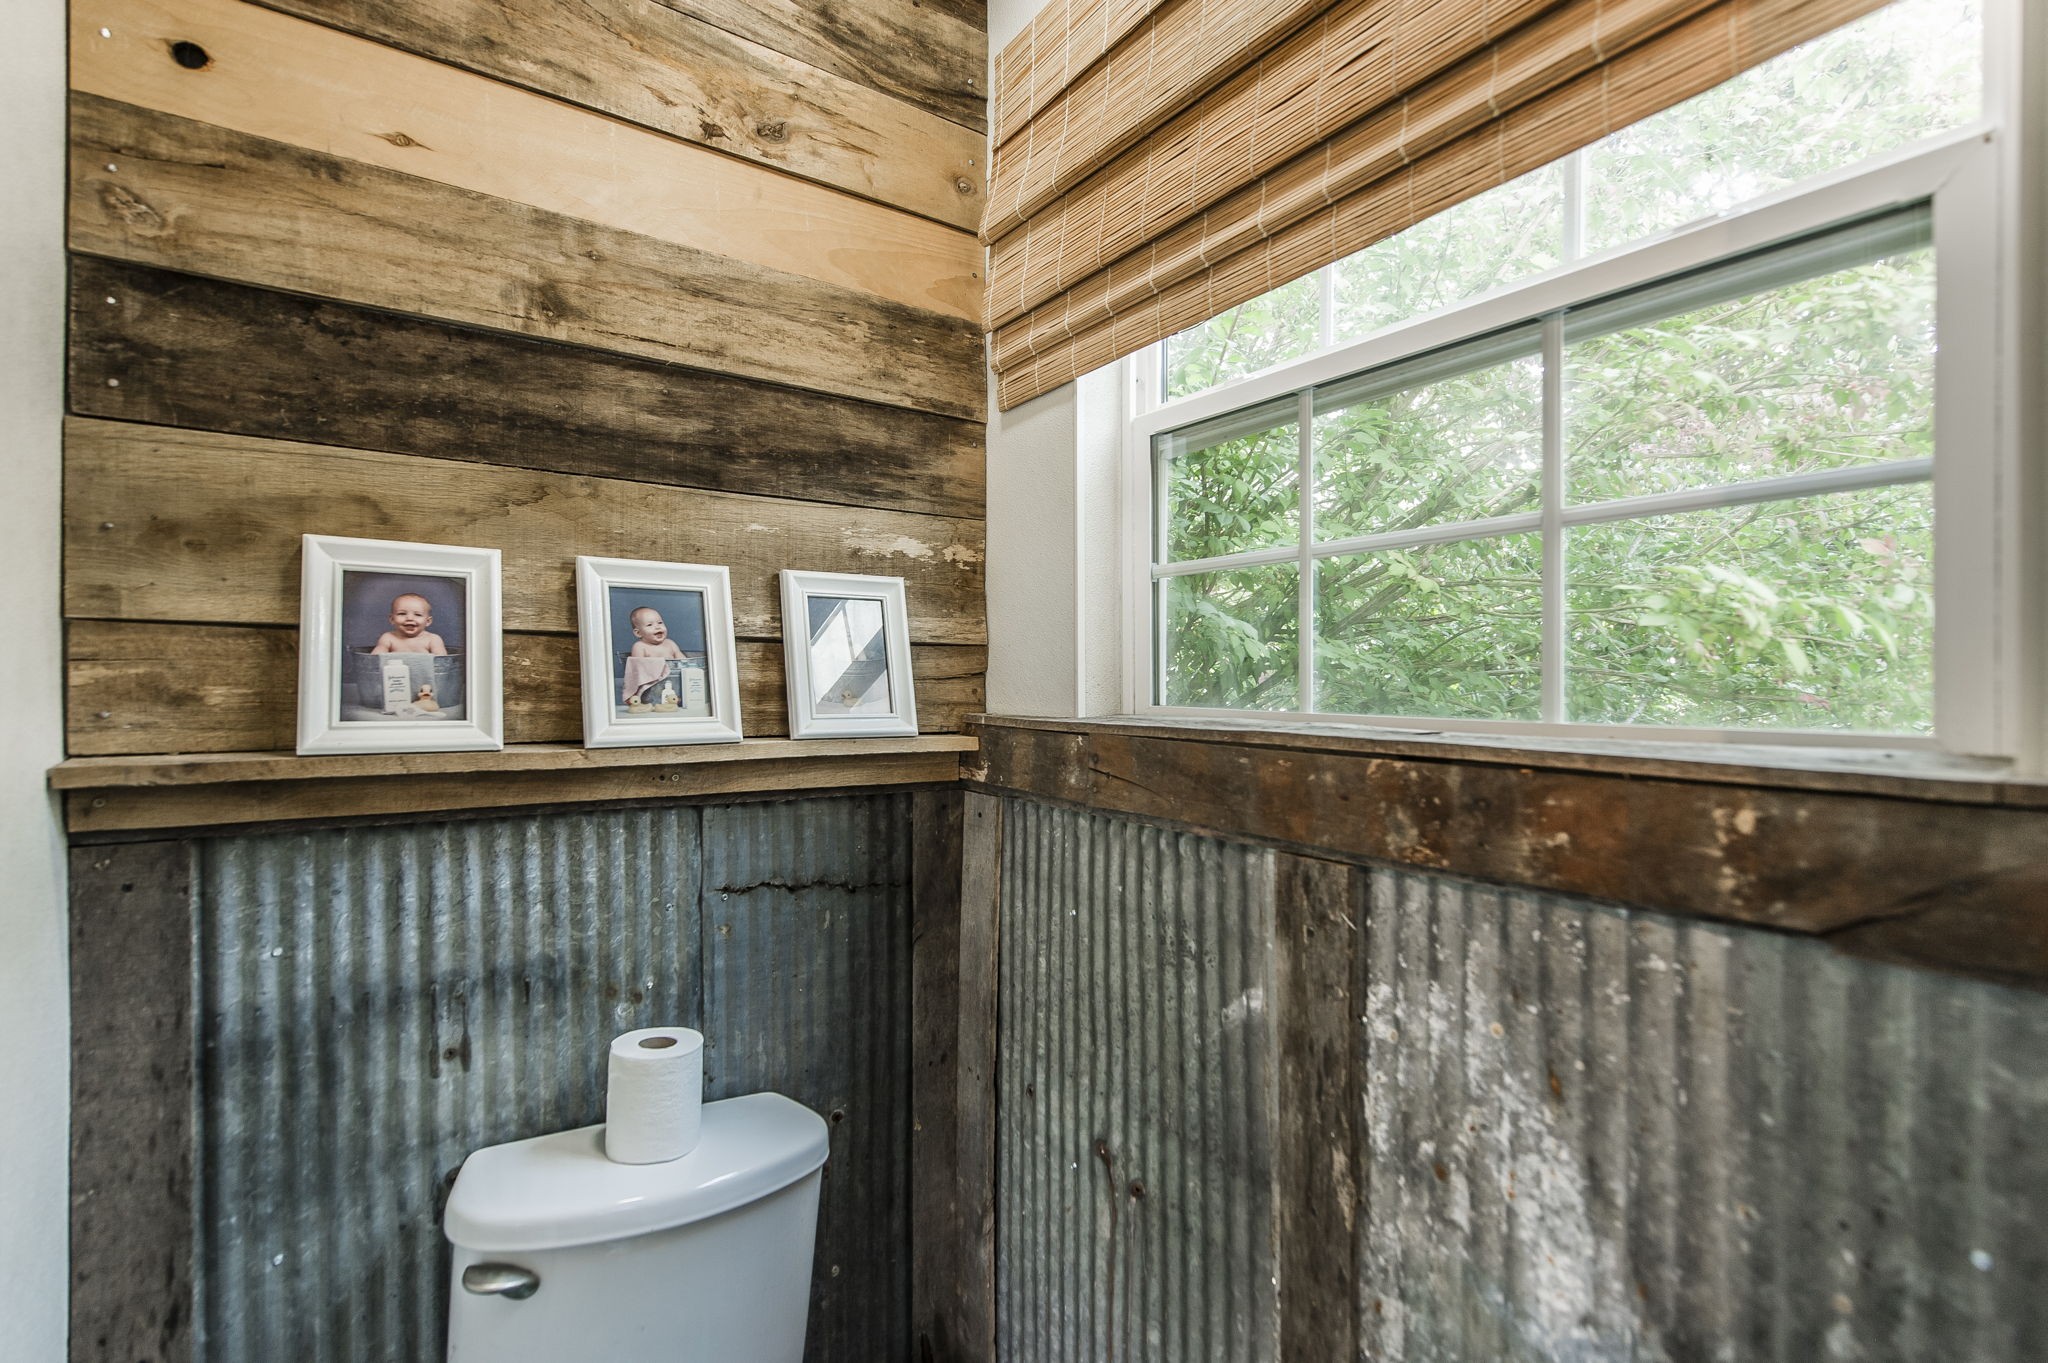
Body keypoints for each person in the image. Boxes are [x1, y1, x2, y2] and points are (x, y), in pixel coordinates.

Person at [370, 592, 449, 654]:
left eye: (417, 614)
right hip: (395, 675)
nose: (410, 618)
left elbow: (442, 663)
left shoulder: (433, 639)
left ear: (428, 621)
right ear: (392, 619)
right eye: (402, 613)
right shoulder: (388, 638)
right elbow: (375, 660)